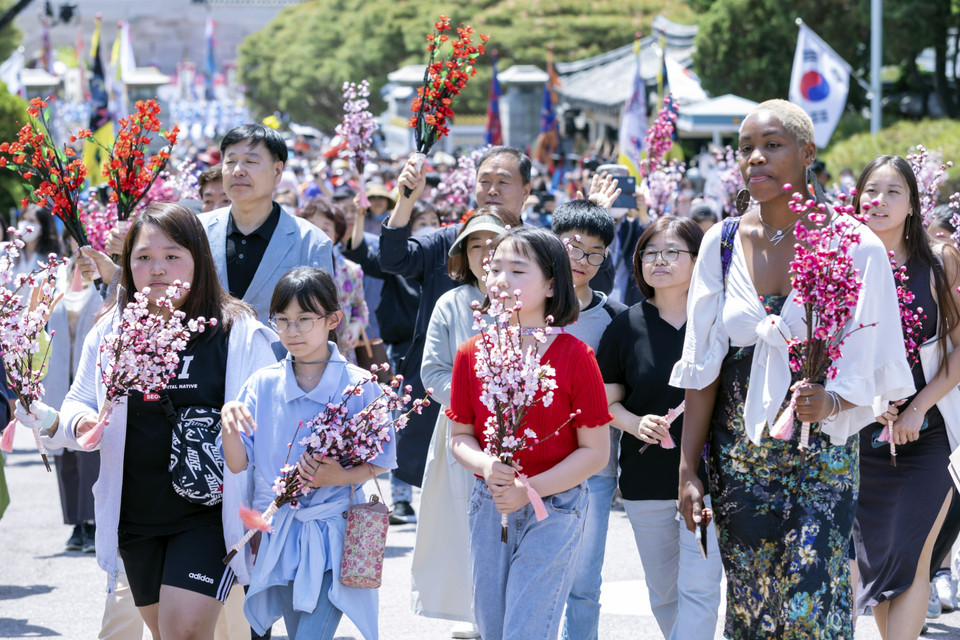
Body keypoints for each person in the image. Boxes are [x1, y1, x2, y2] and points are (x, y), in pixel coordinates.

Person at [670, 100, 913, 638]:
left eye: (772, 145)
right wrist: (689, 470)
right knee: (752, 601)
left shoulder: (854, 244)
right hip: (740, 454)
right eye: (746, 148)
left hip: (820, 450)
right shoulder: (723, 241)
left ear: (807, 153)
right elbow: (703, 364)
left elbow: (875, 360)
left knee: (810, 601)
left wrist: (832, 402)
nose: (755, 158)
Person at [46, 203, 278, 640]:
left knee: (184, 631)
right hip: (135, 514)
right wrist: (80, 424)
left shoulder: (235, 331)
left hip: (210, 515)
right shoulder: (111, 329)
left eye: (172, 256)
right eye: (143, 257)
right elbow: (77, 399)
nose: (157, 269)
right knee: (166, 635)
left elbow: (271, 422)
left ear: (199, 259)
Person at [447, 227, 612, 640]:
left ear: (552, 282)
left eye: (518, 270)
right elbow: (459, 436)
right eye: (495, 268)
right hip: (491, 502)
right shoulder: (471, 353)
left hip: (555, 506)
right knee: (492, 628)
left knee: (526, 630)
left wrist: (530, 488)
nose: (501, 280)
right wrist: (488, 466)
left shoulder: (576, 355)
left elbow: (595, 452)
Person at [220, 266, 395, 640]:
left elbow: (382, 459)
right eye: (282, 320)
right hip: (279, 536)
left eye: (304, 319)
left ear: (333, 319)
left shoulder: (360, 385)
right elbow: (237, 463)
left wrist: (342, 477)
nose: (292, 331)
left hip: (336, 533)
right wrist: (227, 423)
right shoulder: (262, 384)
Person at [377, 146, 529, 519]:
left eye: (503, 182)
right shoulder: (451, 240)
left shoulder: (538, 249)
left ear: (527, 191)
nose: (492, 189)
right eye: (485, 181)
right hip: (454, 414)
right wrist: (406, 200)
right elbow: (393, 259)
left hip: (523, 418)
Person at [598, 216, 723, 639]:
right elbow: (605, 402)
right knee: (664, 592)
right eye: (650, 253)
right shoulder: (625, 326)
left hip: (710, 479)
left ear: (699, 258)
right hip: (645, 477)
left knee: (701, 585)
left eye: (673, 252)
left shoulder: (719, 322)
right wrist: (634, 423)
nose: (660, 261)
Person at [852, 155, 960, 638]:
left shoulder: (940, 261)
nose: (880, 200)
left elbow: (957, 351)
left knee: (914, 557)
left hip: (930, 434)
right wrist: (873, 403)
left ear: (915, 204)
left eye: (894, 191)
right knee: (878, 561)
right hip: (862, 434)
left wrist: (917, 407)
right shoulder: (840, 263)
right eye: (871, 190)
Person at [413, 209, 511, 639]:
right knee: (463, 518)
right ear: (462, 254)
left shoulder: (529, 299)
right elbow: (432, 371)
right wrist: (477, 408)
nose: (485, 252)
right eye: (475, 244)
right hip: (462, 431)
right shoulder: (450, 303)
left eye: (494, 242)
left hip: (525, 427)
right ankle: (478, 615)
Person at [549, 200, 627, 640]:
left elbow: (622, 387)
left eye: (595, 253)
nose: (582, 261)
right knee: (534, 575)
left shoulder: (614, 316)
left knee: (584, 584)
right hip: (532, 466)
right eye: (574, 247)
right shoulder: (527, 308)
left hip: (594, 470)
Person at [198, 123, 334, 322]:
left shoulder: (311, 242)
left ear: (277, 171)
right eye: (230, 161)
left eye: (250, 161)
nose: (238, 171)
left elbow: (320, 323)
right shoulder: (197, 230)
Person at [297, 197, 369, 361]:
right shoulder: (291, 270)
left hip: (343, 354)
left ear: (336, 235)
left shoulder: (351, 270)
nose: (317, 233)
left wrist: (355, 327)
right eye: (311, 226)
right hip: (301, 355)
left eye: (325, 228)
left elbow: (360, 308)